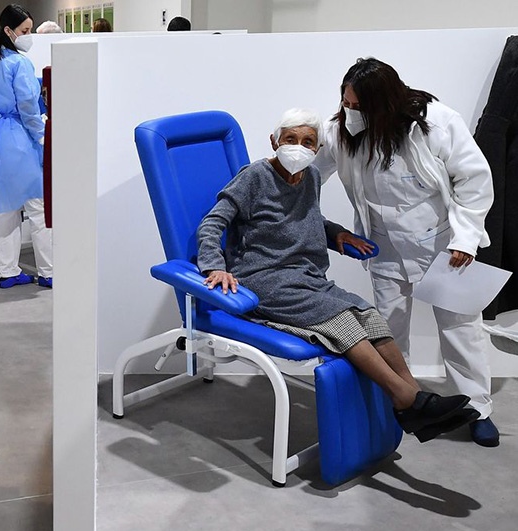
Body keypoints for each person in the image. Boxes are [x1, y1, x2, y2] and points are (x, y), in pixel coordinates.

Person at [200, 108, 478, 443]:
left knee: (368, 315)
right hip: (263, 277)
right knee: (343, 321)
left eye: (307, 142)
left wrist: (338, 235)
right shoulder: (255, 176)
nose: (298, 147)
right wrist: (214, 265)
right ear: (274, 141)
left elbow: (306, 219)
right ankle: (405, 399)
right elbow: (213, 222)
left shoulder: (310, 177)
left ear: (317, 149)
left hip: (305, 276)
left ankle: (417, 399)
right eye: (290, 139)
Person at [315, 58, 500, 447]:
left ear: (384, 103)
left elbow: (474, 180)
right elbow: (310, 175)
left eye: (358, 106)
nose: (350, 112)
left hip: (442, 245)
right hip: (384, 246)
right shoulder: (339, 132)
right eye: (345, 103)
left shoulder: (435, 123)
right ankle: (402, 404)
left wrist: (466, 238)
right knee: (388, 328)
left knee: (460, 329)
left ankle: (478, 409)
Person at [0, 4, 54, 289]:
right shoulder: (19, 63)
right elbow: (27, 107)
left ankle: (8, 272)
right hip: (20, 138)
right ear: (8, 31)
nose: (29, 35)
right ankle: (48, 272)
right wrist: (42, 135)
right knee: (38, 207)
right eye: (25, 30)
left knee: (7, 207)